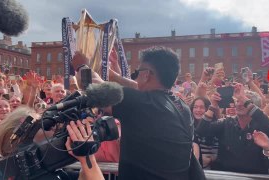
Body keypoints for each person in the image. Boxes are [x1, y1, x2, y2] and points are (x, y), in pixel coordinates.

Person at [72, 46, 204, 180]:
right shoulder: (182, 107)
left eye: (137, 72)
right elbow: (138, 90)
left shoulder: (140, 104)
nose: (136, 77)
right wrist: (115, 77)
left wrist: (81, 65)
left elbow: (93, 87)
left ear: (146, 74)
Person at [0, 106, 104, 180]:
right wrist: (88, 159)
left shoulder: (40, 170)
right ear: (22, 139)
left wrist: (83, 154)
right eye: (46, 126)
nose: (54, 130)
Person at [196, 83, 269, 174]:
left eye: (244, 102)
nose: (239, 104)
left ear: (253, 106)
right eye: (238, 101)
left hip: (253, 177)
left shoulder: (261, 125)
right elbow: (201, 131)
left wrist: (245, 100)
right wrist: (212, 106)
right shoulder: (226, 122)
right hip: (226, 176)